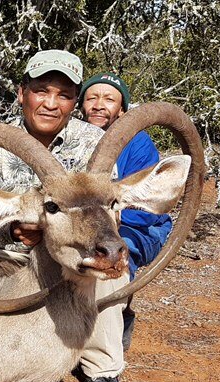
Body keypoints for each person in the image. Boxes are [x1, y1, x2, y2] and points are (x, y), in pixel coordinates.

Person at [0, 50, 130, 382]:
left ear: (74, 101)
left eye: (65, 95)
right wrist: (14, 232)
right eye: (42, 91)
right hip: (11, 250)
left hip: (74, 252)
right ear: (22, 92)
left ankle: (100, 368)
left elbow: (107, 206)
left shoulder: (93, 143)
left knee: (110, 266)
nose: (51, 103)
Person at [78, 72, 172, 352]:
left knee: (116, 256)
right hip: (93, 226)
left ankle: (119, 315)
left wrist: (106, 222)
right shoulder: (77, 139)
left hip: (140, 226)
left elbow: (147, 207)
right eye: (92, 97)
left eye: (109, 99)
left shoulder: (138, 143)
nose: (98, 105)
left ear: (122, 110)